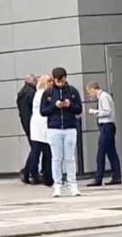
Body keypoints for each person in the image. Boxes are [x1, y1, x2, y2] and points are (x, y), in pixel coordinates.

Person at [40, 67, 83, 197]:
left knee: (70, 158)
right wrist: (55, 106)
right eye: (57, 81)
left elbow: (79, 109)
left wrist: (69, 105)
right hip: (54, 128)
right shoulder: (48, 93)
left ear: (65, 78)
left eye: (62, 80)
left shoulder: (73, 91)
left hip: (70, 127)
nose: (60, 83)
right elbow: (43, 111)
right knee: (56, 158)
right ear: (53, 79)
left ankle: (72, 185)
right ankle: (57, 185)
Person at [85, 82, 122, 186]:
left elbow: (107, 111)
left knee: (101, 152)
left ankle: (98, 178)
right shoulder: (104, 96)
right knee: (111, 152)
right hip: (108, 126)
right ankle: (116, 176)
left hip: (106, 126)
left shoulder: (103, 97)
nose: (90, 95)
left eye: (89, 92)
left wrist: (95, 112)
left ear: (93, 89)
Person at [27, 74, 53, 187]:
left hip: (36, 125)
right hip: (43, 125)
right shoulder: (44, 93)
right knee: (47, 152)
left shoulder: (37, 93)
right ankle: (46, 175)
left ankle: (33, 173)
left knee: (36, 150)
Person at [16, 74, 36, 184]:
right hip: (32, 124)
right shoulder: (31, 93)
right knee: (35, 148)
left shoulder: (21, 94)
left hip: (25, 123)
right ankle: (28, 171)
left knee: (34, 148)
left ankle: (28, 171)